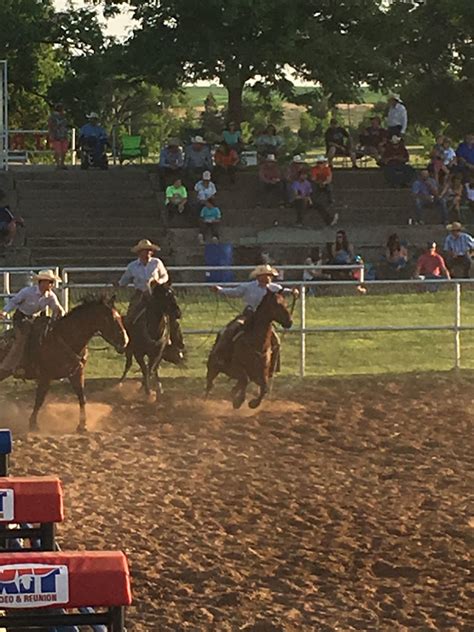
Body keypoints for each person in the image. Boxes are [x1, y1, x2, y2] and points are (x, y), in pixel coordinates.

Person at [210, 264, 298, 368]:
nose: (269, 278)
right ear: (259, 277)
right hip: (248, 315)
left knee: (276, 342)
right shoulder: (248, 287)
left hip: (264, 320)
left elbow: (284, 291)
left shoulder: (274, 288)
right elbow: (234, 292)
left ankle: (272, 367)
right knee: (229, 331)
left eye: (270, 276)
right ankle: (221, 357)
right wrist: (220, 290)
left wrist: (293, 292)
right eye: (266, 275)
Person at [118, 239, 184, 363]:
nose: (147, 253)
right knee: (130, 317)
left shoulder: (157, 263)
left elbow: (165, 276)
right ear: (139, 253)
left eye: (149, 250)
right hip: (140, 294)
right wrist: (118, 284)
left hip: (158, 294)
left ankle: (176, 345)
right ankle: (129, 344)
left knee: (172, 316)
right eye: (144, 251)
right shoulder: (132, 266)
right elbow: (124, 280)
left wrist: (159, 282)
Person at [0, 269, 65, 379]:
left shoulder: (50, 296)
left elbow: (57, 308)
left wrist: (61, 314)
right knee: (22, 339)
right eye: (50, 282)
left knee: (44, 336)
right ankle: (9, 366)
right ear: (42, 282)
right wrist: (5, 311)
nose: (51, 285)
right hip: (20, 318)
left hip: (35, 319)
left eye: (52, 282)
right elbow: (14, 301)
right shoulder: (27, 292)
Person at [310, 155, 338, 226]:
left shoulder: (327, 169)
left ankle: (330, 199)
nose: (320, 165)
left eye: (322, 163)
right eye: (319, 163)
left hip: (324, 183)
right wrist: (319, 182)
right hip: (316, 185)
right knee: (315, 187)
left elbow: (329, 179)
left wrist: (324, 183)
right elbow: (313, 179)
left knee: (329, 186)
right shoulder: (314, 169)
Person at [48, 103, 69, 170]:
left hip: (64, 135)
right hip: (56, 135)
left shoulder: (64, 116)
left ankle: (62, 163)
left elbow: (66, 125)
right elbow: (50, 126)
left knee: (64, 150)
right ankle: (58, 164)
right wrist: (51, 134)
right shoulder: (53, 117)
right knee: (57, 151)